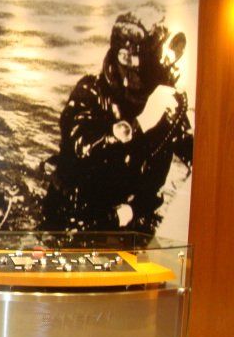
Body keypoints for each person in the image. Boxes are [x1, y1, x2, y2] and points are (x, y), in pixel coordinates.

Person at [41, 13, 193, 233]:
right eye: (126, 57)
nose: (134, 67)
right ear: (119, 55)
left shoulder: (163, 101)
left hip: (130, 216)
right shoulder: (90, 92)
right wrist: (136, 125)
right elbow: (81, 144)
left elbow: (196, 153)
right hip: (75, 215)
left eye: (141, 58)